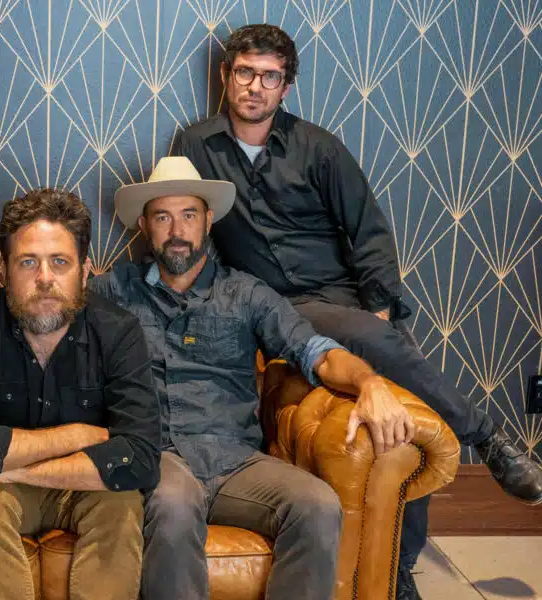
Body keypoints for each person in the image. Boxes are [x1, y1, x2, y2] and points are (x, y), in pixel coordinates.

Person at [176, 23, 542, 599]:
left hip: (335, 298)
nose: (255, 87)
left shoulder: (318, 147)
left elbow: (368, 231)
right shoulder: (196, 145)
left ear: (285, 88)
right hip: (267, 306)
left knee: (399, 414)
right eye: (245, 72)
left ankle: (397, 567)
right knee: (386, 364)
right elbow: (189, 225)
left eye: (270, 77)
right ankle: (490, 440)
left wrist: (376, 310)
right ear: (227, 76)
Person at [90, 156, 416, 599]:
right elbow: (49, 318)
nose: (177, 229)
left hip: (235, 461)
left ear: (207, 220)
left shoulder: (246, 293)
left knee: (318, 506)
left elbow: (314, 352)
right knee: (173, 505)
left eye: (188, 214)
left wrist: (369, 383)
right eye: (162, 216)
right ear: (146, 226)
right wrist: (66, 274)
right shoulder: (114, 290)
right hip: (158, 455)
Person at [0, 188, 161, 600]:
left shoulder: (118, 330)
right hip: (3, 491)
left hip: (78, 487)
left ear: (85, 269)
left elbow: (141, 458)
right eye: (27, 262)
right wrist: (76, 437)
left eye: (60, 262)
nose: (44, 278)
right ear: (5, 270)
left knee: (122, 502)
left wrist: (10, 466)